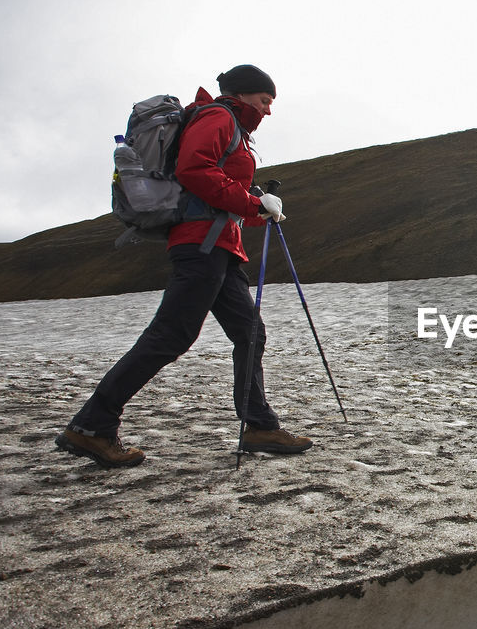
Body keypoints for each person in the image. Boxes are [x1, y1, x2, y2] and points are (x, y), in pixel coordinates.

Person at [56, 64, 313, 468]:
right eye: (265, 101)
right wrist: (250, 203)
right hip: (201, 246)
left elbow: (214, 187)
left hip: (219, 248)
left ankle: (259, 425)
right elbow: (194, 171)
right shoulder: (218, 117)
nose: (267, 110)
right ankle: (92, 425)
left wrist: (257, 207)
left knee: (249, 332)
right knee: (170, 336)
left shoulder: (231, 126)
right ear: (244, 95)